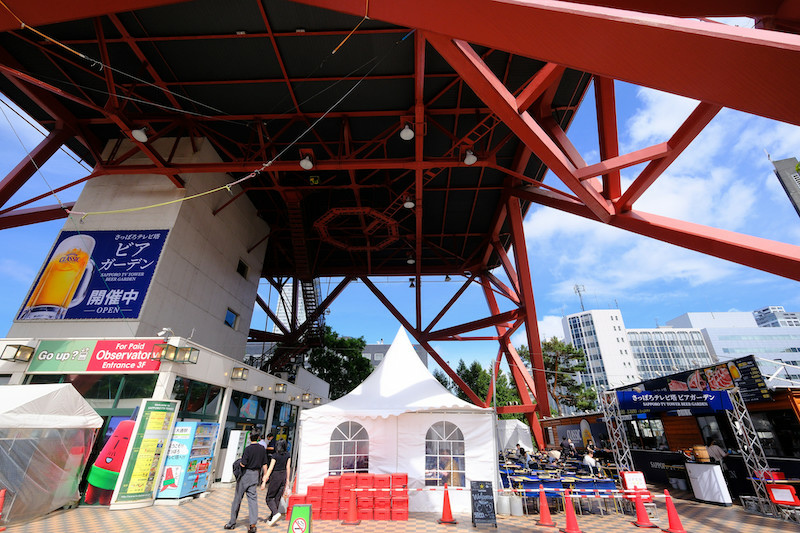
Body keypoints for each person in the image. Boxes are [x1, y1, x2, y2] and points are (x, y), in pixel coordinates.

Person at [225, 433, 268, 532]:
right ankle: (253, 525)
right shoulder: (262, 449)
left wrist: (239, 462)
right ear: (258, 438)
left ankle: (232, 523)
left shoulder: (248, 449)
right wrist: (264, 479)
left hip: (245, 475)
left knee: (237, 499)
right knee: (253, 500)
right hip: (255, 475)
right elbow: (265, 464)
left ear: (250, 438)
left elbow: (243, 464)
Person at [262, 439, 291, 526]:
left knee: (269, 498)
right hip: (283, 476)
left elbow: (270, 468)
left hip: (276, 476)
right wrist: (287, 480)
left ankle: (275, 513)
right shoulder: (288, 455)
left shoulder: (275, 456)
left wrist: (264, 480)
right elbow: (288, 467)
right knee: (277, 498)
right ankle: (272, 518)